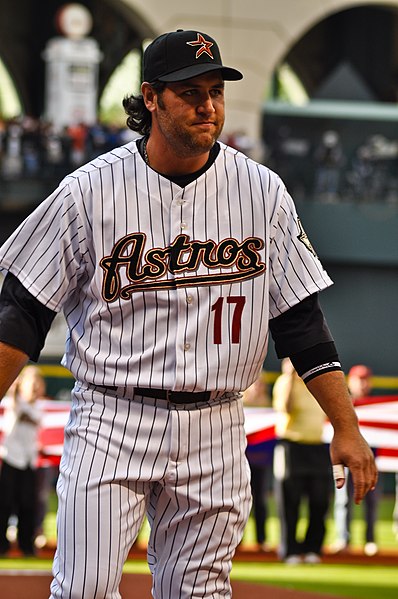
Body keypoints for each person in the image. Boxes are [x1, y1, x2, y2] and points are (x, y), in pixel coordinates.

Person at [0, 29, 377, 599]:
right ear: (150, 98)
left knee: (198, 593)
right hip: (112, 415)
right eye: (190, 92)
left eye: (215, 91)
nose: (208, 105)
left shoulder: (262, 193)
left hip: (216, 423)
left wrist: (345, 426)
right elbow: (21, 314)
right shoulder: (88, 192)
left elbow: (301, 322)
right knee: (83, 590)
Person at [272, 358, 333, 564]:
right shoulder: (284, 382)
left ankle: (312, 548)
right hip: (292, 446)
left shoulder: (318, 382)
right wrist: (289, 376)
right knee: (290, 500)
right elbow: (285, 408)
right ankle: (289, 550)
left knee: (319, 501)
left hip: (317, 446)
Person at [332, 364, 380, 556]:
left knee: (372, 500)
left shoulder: (378, 406)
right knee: (342, 498)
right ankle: (343, 539)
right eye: (358, 379)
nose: (362, 383)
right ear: (350, 382)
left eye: (365, 379)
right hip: (345, 460)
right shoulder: (341, 404)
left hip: (371, 460)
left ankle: (370, 540)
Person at [0, 366, 43, 555]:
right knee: (5, 503)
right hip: (11, 458)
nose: (34, 387)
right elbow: (18, 407)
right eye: (30, 383)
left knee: (28, 504)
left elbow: (33, 418)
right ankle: (2, 544)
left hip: (29, 461)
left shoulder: (39, 407)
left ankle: (27, 545)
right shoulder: (13, 402)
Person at [242, 375, 273, 552]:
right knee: (240, 500)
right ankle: (237, 541)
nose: (257, 388)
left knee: (259, 499)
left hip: (260, 460)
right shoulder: (240, 404)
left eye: (261, 385)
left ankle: (261, 539)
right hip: (241, 459)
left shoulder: (268, 407)